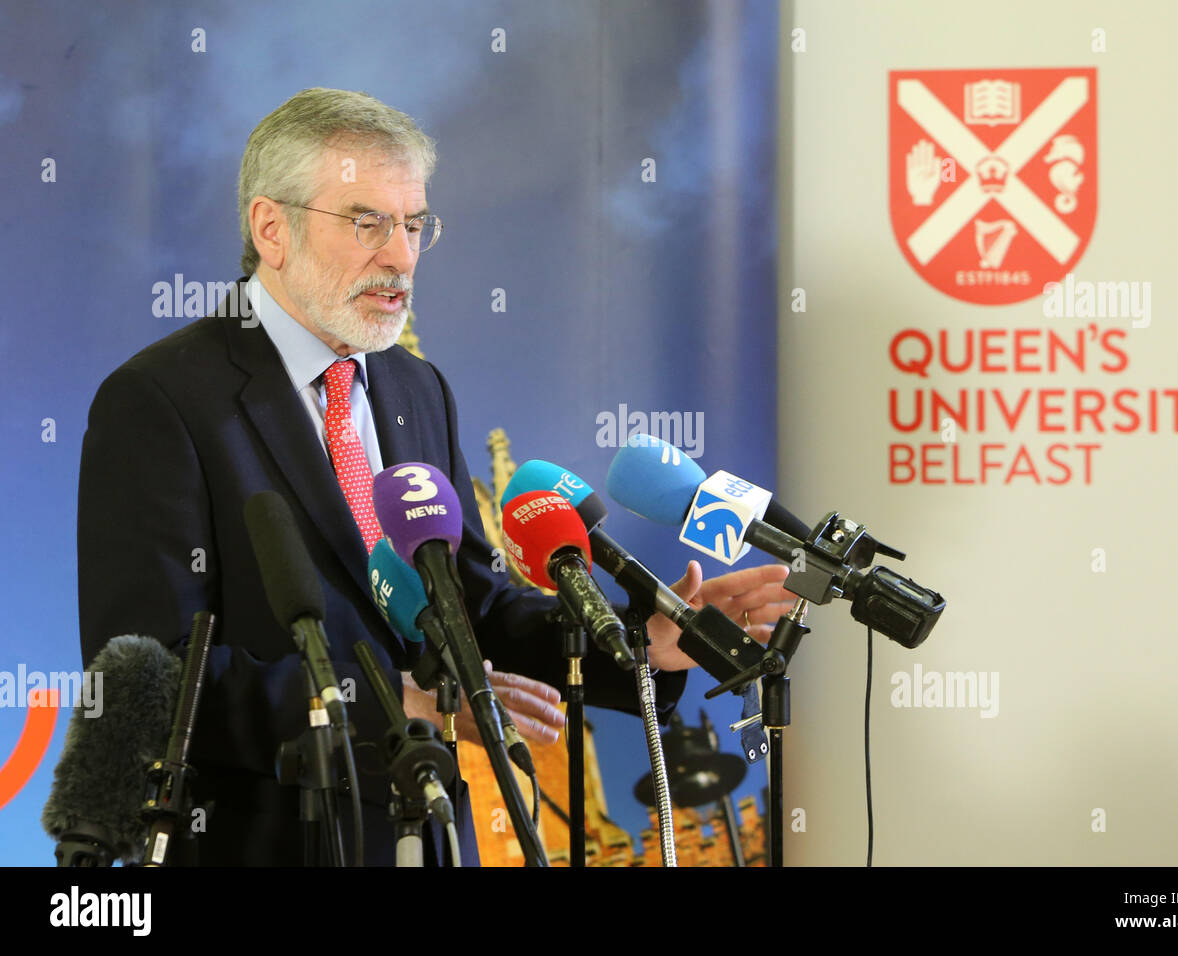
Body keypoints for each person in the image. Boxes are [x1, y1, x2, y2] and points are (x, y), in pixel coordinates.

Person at [76, 87, 792, 866]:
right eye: (366, 223)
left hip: (427, 837)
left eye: (414, 225)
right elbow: (151, 676)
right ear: (271, 228)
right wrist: (386, 706)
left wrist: (640, 640)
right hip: (262, 840)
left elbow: (471, 605)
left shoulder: (415, 388)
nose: (401, 255)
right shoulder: (162, 401)